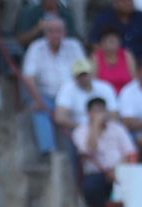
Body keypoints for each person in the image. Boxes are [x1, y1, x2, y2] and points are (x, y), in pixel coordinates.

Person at [21, 14, 86, 159]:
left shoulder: (74, 46)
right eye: (51, 31)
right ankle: (49, 151)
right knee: (39, 109)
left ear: (65, 32)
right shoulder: (36, 47)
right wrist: (38, 99)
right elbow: (29, 78)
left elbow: (83, 72)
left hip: (70, 96)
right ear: (45, 33)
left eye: (59, 31)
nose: (55, 34)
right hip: (46, 94)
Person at [73, 96, 136, 207]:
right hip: (96, 173)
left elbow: (129, 152)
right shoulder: (80, 131)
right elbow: (89, 150)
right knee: (90, 189)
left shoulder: (118, 128)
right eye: (96, 111)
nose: (100, 114)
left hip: (120, 171)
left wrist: (117, 170)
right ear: (88, 113)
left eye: (102, 110)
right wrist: (96, 126)